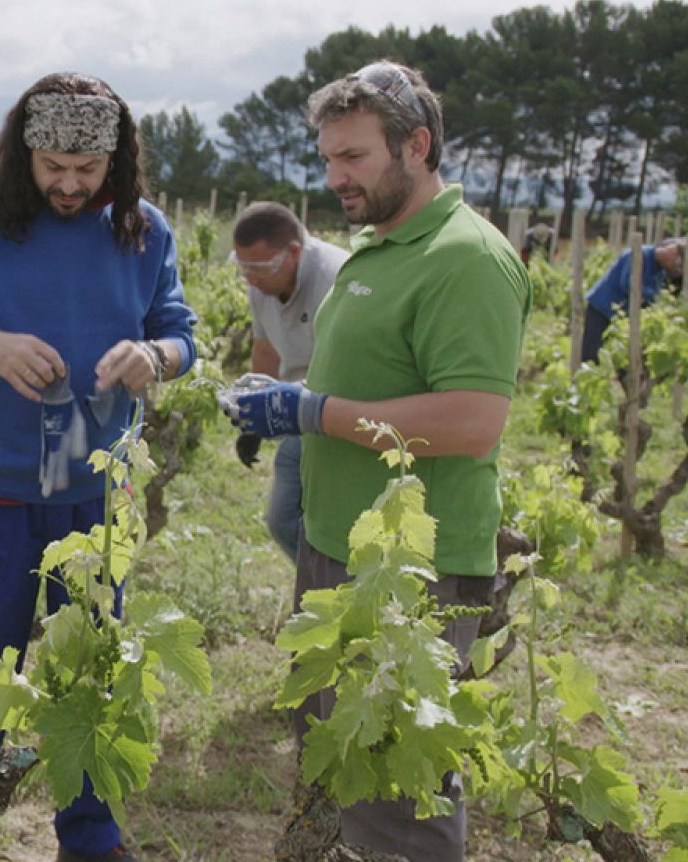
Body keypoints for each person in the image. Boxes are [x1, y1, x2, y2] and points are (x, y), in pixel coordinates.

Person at [221, 60, 530, 861]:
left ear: (417, 146)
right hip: (336, 547)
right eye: (327, 159)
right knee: (334, 759)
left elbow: (472, 422)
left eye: (353, 157)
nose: (335, 178)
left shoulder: (465, 258)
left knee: (398, 789)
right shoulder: (376, 247)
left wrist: (313, 411)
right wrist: (285, 396)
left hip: (410, 574)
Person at [0, 71, 196, 862]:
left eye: (85, 171)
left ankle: (90, 840)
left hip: (93, 495)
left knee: (90, 675)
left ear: (115, 164)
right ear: (23, 153)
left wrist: (154, 356)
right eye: (51, 166)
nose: (66, 185)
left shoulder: (143, 230)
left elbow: (180, 333)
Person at [229, 201, 348, 561]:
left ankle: (335, 593)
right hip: (298, 412)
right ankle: (319, 591)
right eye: (242, 267)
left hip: (341, 412)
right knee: (283, 519)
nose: (249, 278)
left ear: (293, 252)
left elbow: (351, 367)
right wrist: (252, 416)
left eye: (259, 268)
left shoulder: (336, 279)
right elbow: (265, 349)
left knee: (334, 524)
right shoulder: (261, 284)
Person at [579, 237, 688, 364]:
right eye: (677, 267)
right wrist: (656, 298)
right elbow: (629, 285)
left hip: (622, 315)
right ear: (672, 253)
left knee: (621, 355)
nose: (675, 271)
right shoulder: (638, 255)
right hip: (601, 307)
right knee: (591, 352)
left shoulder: (660, 271)